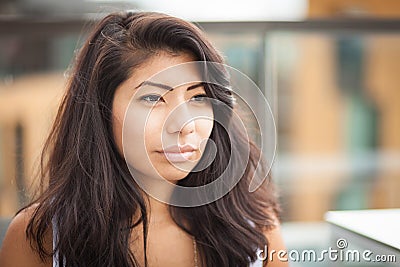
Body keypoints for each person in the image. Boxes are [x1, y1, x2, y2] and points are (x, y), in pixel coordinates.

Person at [0, 11, 287, 267]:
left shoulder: (253, 229)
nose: (185, 125)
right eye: (152, 98)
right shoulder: (40, 238)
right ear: (101, 110)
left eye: (198, 97)